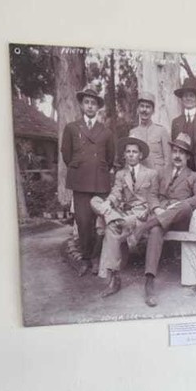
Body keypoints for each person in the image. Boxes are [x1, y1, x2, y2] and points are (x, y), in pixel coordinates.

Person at [123, 133, 196, 307]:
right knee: (155, 230)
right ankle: (149, 281)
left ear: (187, 157)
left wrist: (178, 205)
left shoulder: (194, 176)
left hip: (181, 219)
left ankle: (141, 228)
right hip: (161, 216)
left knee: (185, 206)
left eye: (181, 153)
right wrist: (157, 208)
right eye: (175, 151)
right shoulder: (161, 173)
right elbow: (152, 195)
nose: (177, 155)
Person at [93, 138, 160, 300]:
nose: (131, 155)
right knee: (95, 201)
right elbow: (116, 193)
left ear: (140, 155)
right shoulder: (120, 174)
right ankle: (115, 278)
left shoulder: (151, 174)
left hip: (141, 215)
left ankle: (114, 279)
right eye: (128, 152)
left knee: (110, 227)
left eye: (134, 152)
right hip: (123, 213)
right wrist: (109, 202)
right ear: (124, 155)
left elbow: (154, 198)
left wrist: (150, 210)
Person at [61, 87, 117, 276]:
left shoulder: (106, 132)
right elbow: (66, 155)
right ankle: (86, 260)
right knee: (83, 222)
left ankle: (97, 258)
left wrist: (97, 167)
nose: (90, 106)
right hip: (80, 181)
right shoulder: (71, 128)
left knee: (100, 223)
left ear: (98, 107)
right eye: (87, 102)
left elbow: (110, 157)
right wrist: (82, 167)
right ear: (82, 105)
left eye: (94, 103)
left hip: (100, 181)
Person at [129, 92, 171, 183]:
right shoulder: (133, 133)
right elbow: (129, 159)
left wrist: (164, 186)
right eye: (142, 106)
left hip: (158, 180)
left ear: (153, 111)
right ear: (138, 109)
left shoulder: (162, 131)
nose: (144, 110)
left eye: (148, 107)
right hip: (139, 181)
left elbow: (168, 161)